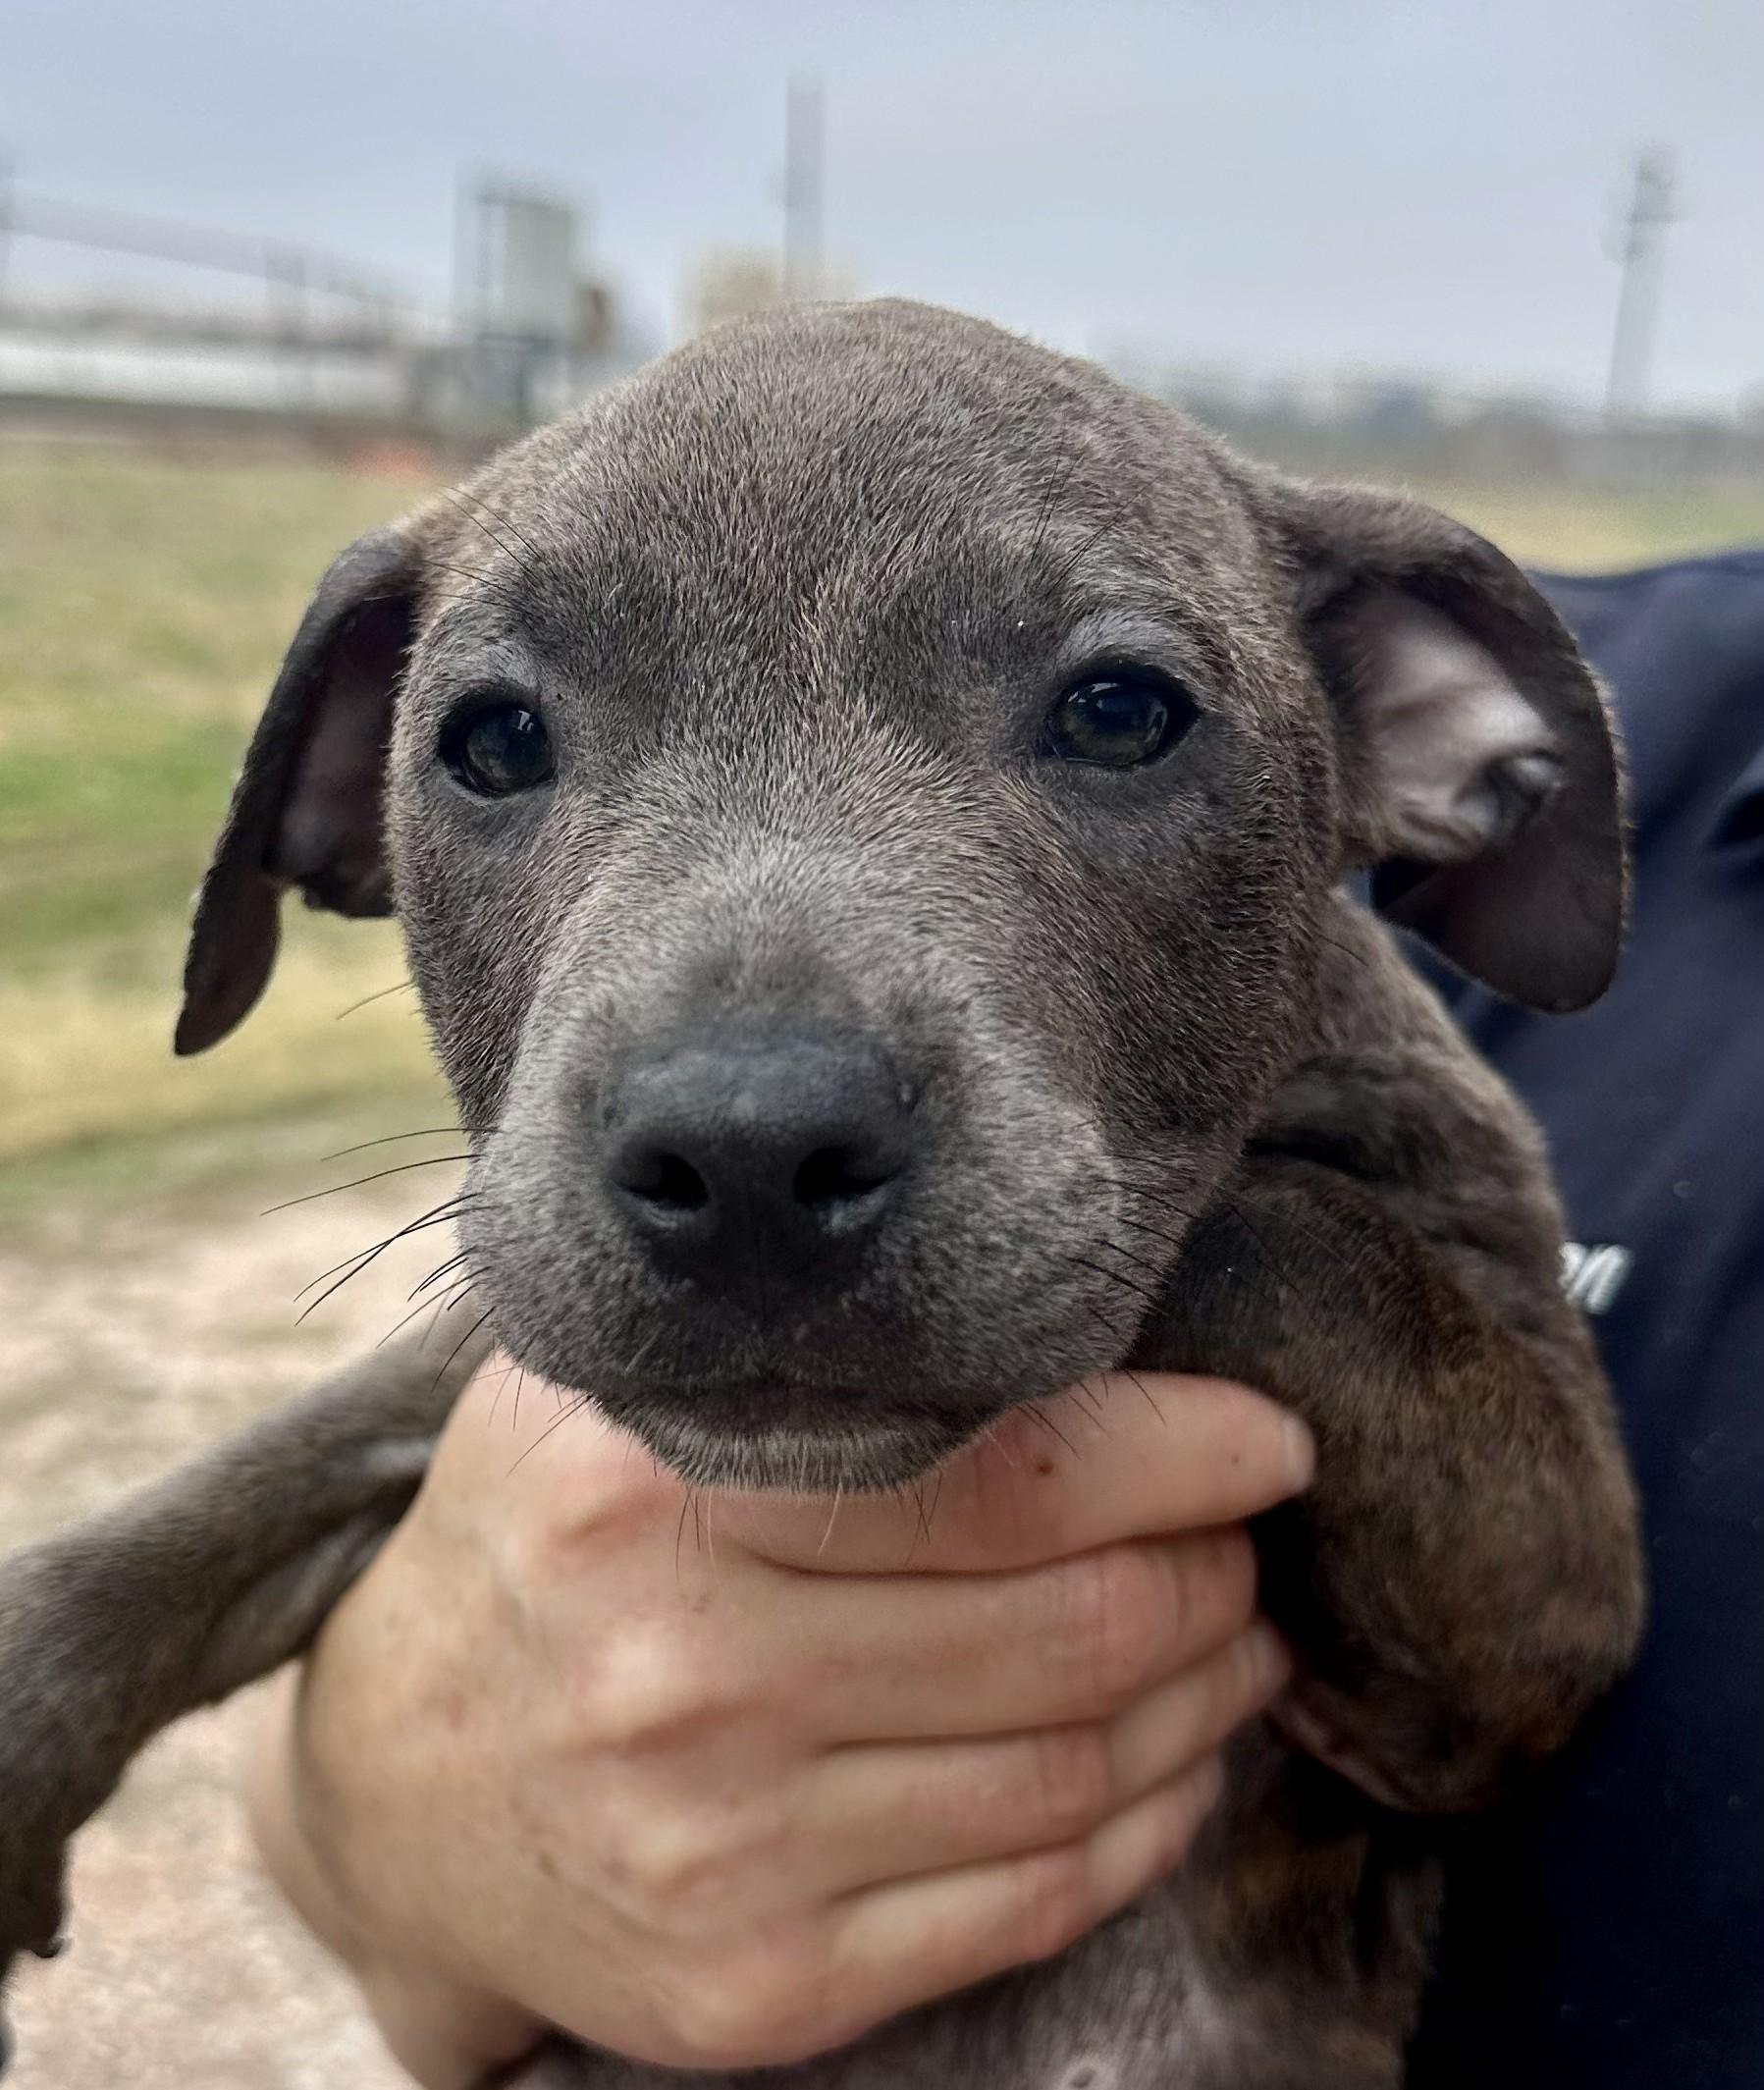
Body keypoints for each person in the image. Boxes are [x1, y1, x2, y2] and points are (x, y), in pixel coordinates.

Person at [248, 550, 1764, 2090]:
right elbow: (405, 1677)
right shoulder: (1570, 689)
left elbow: (1501, 1684)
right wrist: (377, 1825)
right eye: (500, 741)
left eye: (1114, 716)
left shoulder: (1353, 708)